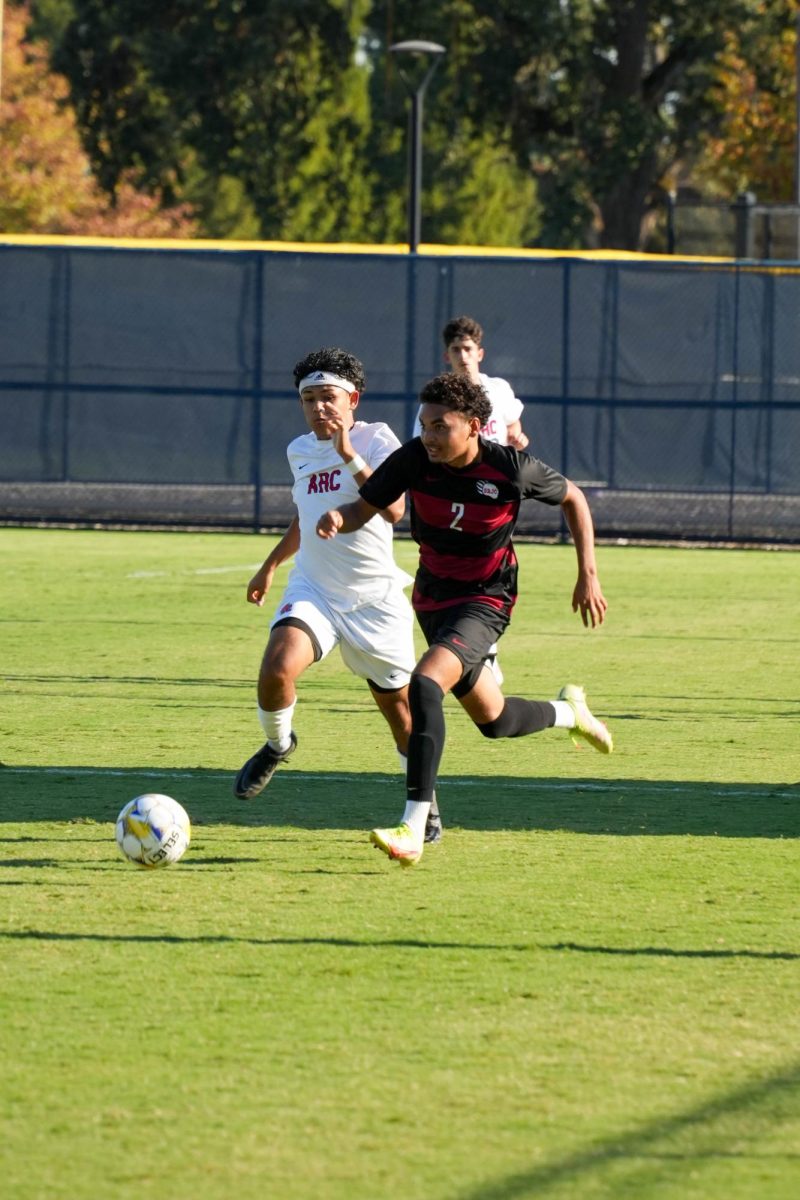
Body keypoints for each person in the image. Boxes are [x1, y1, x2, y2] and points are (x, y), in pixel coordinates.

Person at [317, 372, 613, 867]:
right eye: (425, 425)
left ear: (474, 426)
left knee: (425, 683)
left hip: (486, 599)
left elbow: (574, 498)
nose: (429, 436)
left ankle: (413, 826)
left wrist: (588, 574)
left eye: (440, 426)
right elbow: (365, 507)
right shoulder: (414, 458)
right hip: (432, 598)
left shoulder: (509, 468)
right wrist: (338, 518)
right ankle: (569, 713)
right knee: (494, 722)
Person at [233, 346, 443, 844]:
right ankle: (278, 745)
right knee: (276, 668)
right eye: (309, 400)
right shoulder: (299, 450)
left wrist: (350, 455)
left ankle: (423, 802)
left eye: (328, 397)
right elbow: (305, 516)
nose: (319, 408)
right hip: (315, 590)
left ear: (354, 399)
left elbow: (394, 511)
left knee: (400, 714)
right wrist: (269, 565)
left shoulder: (378, 441)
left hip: (374, 600)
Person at [415, 314, 530, 683]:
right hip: (455, 489)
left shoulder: (498, 390)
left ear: (480, 353)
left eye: (468, 349)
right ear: (446, 356)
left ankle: (483, 648)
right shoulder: (439, 401)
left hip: (495, 490)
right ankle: (475, 649)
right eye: (455, 350)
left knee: (487, 563)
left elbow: (513, 427)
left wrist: (518, 439)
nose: (463, 355)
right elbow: (423, 445)